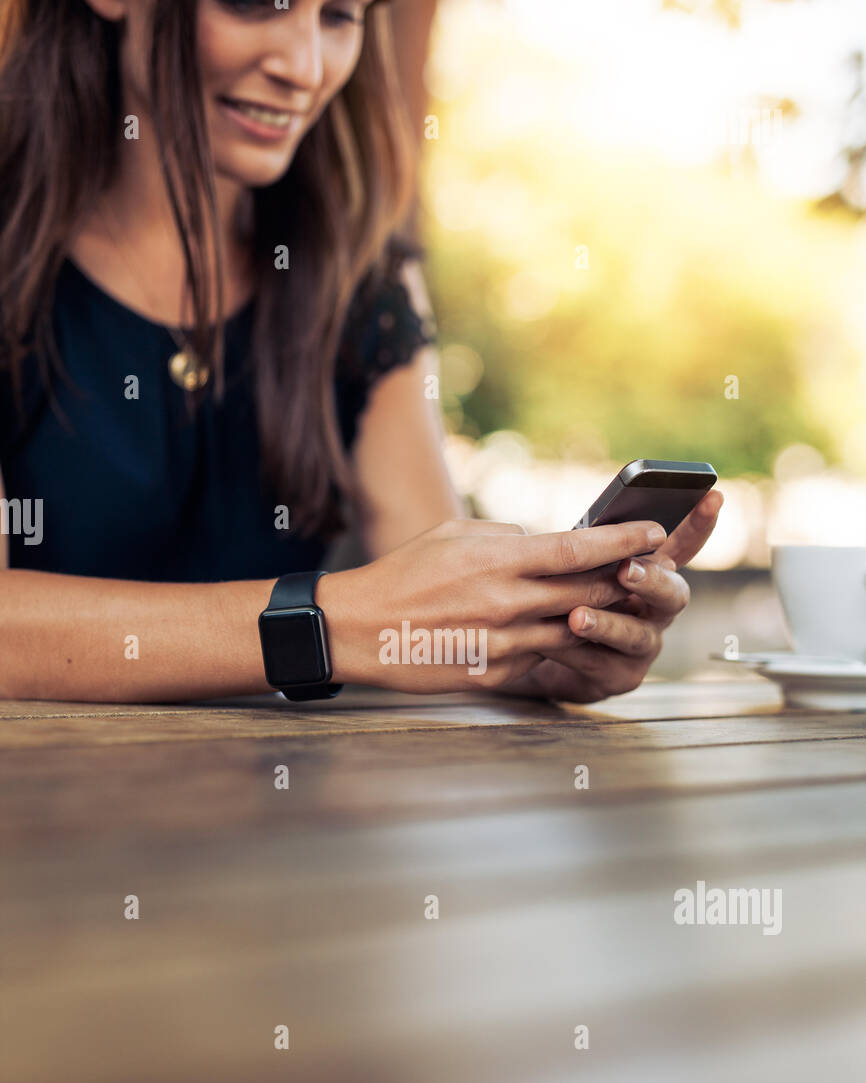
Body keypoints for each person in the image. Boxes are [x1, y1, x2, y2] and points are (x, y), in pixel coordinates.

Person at [0, 0, 722, 704]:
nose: (305, 66)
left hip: (268, 811)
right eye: (255, 5)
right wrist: (330, 622)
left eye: (340, 16)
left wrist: (540, 651)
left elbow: (435, 610)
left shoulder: (361, 279)